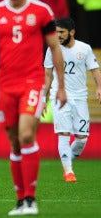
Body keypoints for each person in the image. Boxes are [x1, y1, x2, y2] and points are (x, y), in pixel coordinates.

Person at [0, 0, 67, 216]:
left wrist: (60, 85)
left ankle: (31, 198)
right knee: (14, 143)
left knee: (27, 135)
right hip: (5, 84)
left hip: (32, 81)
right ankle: (20, 200)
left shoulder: (41, 11)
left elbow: (55, 48)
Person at [43, 17, 101, 182]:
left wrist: (99, 87)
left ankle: (66, 160)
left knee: (82, 139)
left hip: (80, 97)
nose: (58, 35)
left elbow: (95, 70)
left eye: (61, 32)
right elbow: (47, 74)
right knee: (64, 133)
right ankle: (68, 171)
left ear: (72, 32)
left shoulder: (85, 49)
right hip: (59, 96)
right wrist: (42, 97)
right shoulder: (52, 49)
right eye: (56, 32)